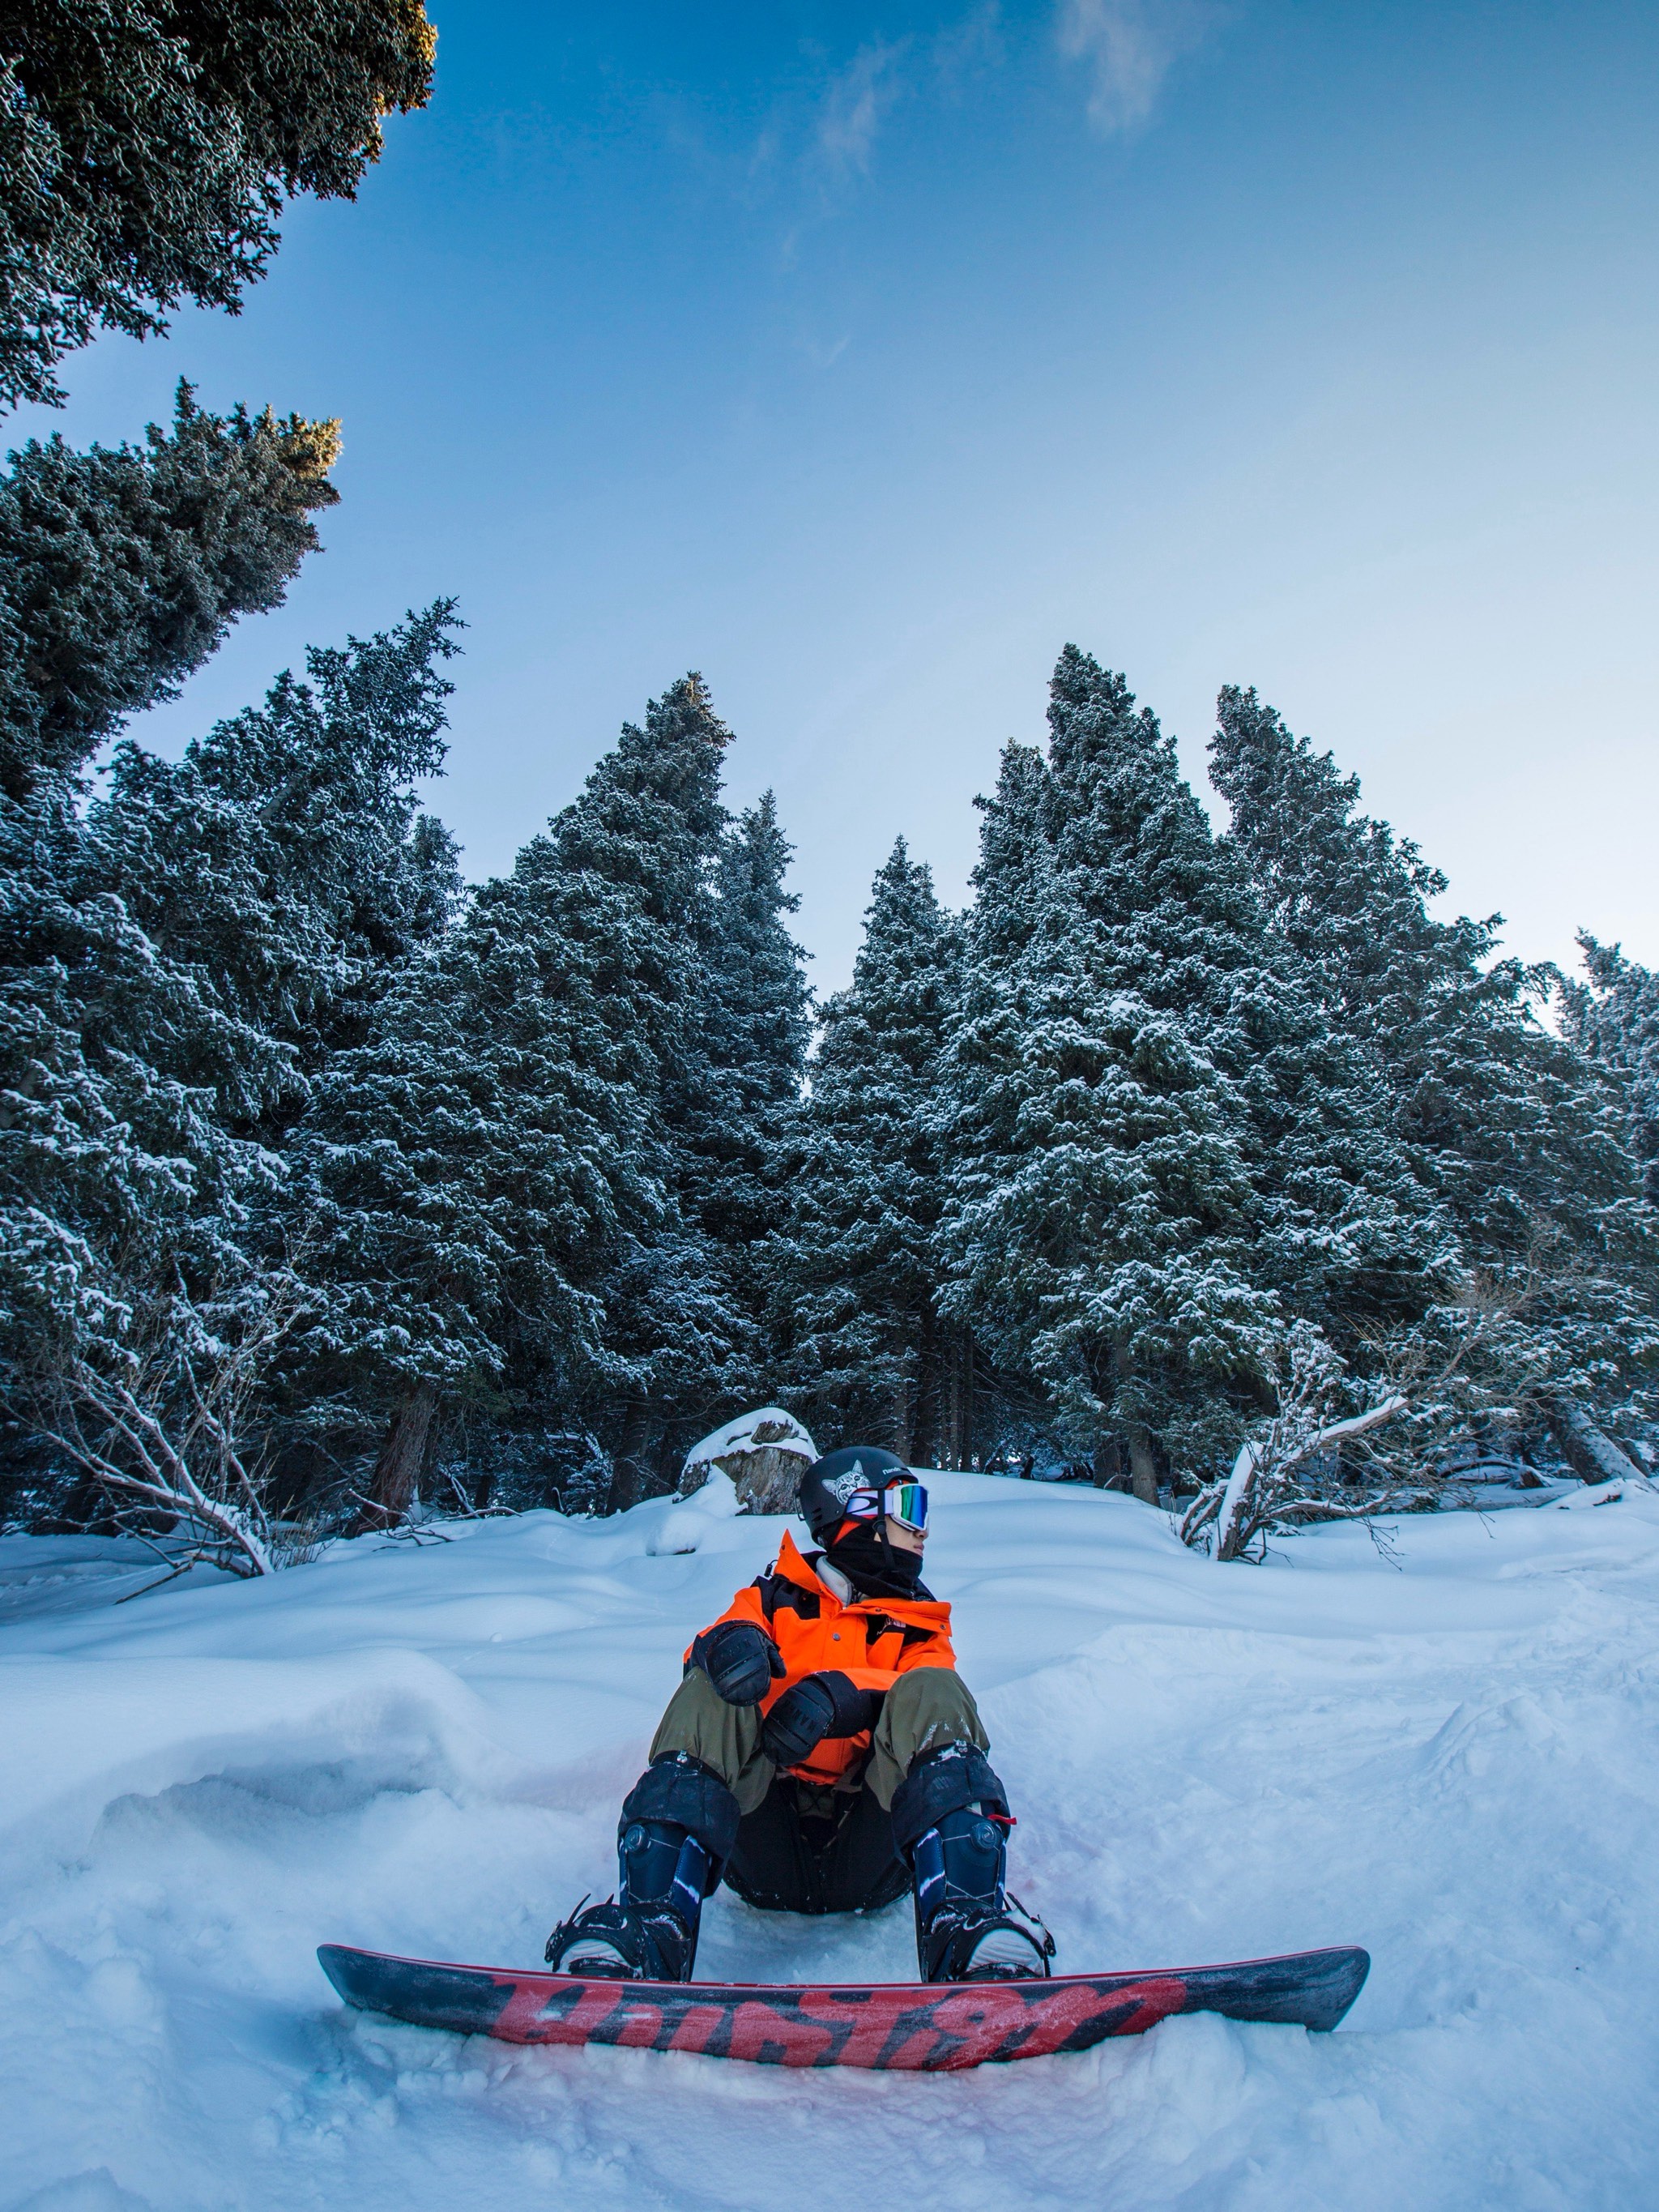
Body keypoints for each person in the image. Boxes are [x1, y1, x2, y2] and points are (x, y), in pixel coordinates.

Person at [545, 1445, 1055, 1986]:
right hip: (762, 1840)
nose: (922, 1529)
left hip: (872, 1850)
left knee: (934, 1690)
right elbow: (706, 1654)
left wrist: (850, 1696)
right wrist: (731, 1645)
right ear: (856, 1511)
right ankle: (648, 1929)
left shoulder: (920, 1627)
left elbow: (931, 1695)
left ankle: (971, 1931)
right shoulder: (770, 1596)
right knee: (710, 1690)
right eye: (909, 1506)